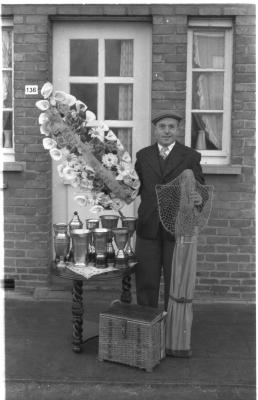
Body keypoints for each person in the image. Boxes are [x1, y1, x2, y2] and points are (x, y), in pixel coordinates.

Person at [134, 111, 206, 310]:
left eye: (171, 127)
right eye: (162, 127)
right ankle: (147, 325)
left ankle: (171, 326)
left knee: (175, 283)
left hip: (177, 227)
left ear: (178, 130)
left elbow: (200, 187)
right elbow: (134, 187)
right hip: (148, 225)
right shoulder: (143, 155)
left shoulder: (190, 156)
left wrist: (199, 199)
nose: (167, 131)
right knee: (146, 280)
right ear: (155, 130)